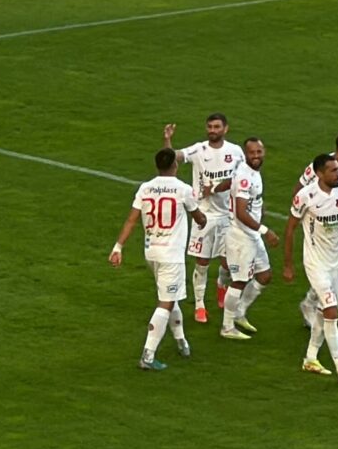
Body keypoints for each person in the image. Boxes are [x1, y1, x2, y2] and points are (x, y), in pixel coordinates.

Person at [108, 148, 207, 371]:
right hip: (171, 255)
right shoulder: (183, 190)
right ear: (175, 165)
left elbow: (131, 220)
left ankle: (181, 340)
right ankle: (148, 355)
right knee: (166, 303)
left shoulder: (145, 188)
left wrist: (118, 247)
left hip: (151, 252)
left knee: (169, 296)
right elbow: (199, 217)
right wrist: (203, 220)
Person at [283, 153, 338, 387]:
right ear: (319, 174)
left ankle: (310, 358)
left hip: (337, 261)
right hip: (315, 263)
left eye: (337, 169)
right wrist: (288, 264)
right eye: (332, 170)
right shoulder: (306, 196)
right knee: (332, 311)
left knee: (324, 311)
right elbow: (290, 229)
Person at [163, 113, 245, 323]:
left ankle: (221, 284)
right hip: (204, 214)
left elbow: (243, 178)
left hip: (229, 215)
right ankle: (200, 305)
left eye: (217, 127)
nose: (212, 130)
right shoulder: (199, 150)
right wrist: (167, 139)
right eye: (209, 127)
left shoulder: (235, 152)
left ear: (225, 129)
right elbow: (173, 156)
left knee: (228, 262)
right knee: (202, 261)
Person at [291, 131, 338, 328]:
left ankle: (310, 304)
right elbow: (299, 188)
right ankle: (316, 313)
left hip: (332, 222)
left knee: (327, 270)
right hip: (314, 221)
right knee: (319, 265)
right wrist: (300, 213)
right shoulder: (319, 166)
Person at [217, 137, 279, 340]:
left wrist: (261, 210)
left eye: (258, 152)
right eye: (252, 153)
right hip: (241, 236)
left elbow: (250, 202)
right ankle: (227, 327)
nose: (256, 156)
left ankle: (239, 313)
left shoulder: (252, 172)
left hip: (251, 235)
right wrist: (265, 230)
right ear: (246, 154)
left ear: (264, 152)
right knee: (239, 281)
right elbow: (241, 212)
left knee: (265, 275)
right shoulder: (245, 176)